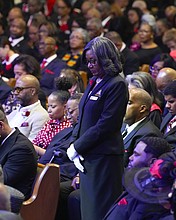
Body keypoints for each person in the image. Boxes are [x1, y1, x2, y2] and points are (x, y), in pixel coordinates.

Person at [67, 36, 128, 220]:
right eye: (88, 61)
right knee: (88, 211)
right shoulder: (94, 81)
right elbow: (83, 115)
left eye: (94, 61)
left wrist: (78, 147)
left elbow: (106, 124)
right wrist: (74, 143)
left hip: (104, 158)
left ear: (106, 58)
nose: (91, 65)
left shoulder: (116, 84)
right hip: (88, 155)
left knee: (99, 212)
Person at [0, 109, 37, 199]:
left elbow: (3, 181)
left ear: (0, 126)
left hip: (10, 200)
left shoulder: (21, 148)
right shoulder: (4, 140)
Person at [122, 88, 163, 166]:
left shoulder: (149, 134)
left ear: (142, 109)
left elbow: (136, 165)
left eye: (128, 103)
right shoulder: (122, 124)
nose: (122, 106)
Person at [33, 77, 71, 156]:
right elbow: (36, 142)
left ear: (65, 107)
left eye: (53, 107)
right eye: (48, 106)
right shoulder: (49, 122)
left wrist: (34, 148)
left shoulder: (68, 127)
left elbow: (55, 154)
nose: (49, 110)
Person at [7, 75, 49, 141]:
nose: (15, 93)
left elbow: (31, 147)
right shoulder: (15, 111)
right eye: (15, 89)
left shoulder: (41, 116)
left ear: (32, 91)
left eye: (19, 89)